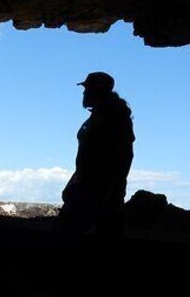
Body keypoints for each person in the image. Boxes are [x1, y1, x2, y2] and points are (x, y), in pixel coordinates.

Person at [58, 71, 135, 237]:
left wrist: (111, 193)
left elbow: (123, 157)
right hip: (89, 187)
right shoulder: (100, 116)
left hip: (98, 191)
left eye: (88, 88)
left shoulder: (114, 118)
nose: (84, 92)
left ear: (98, 91)